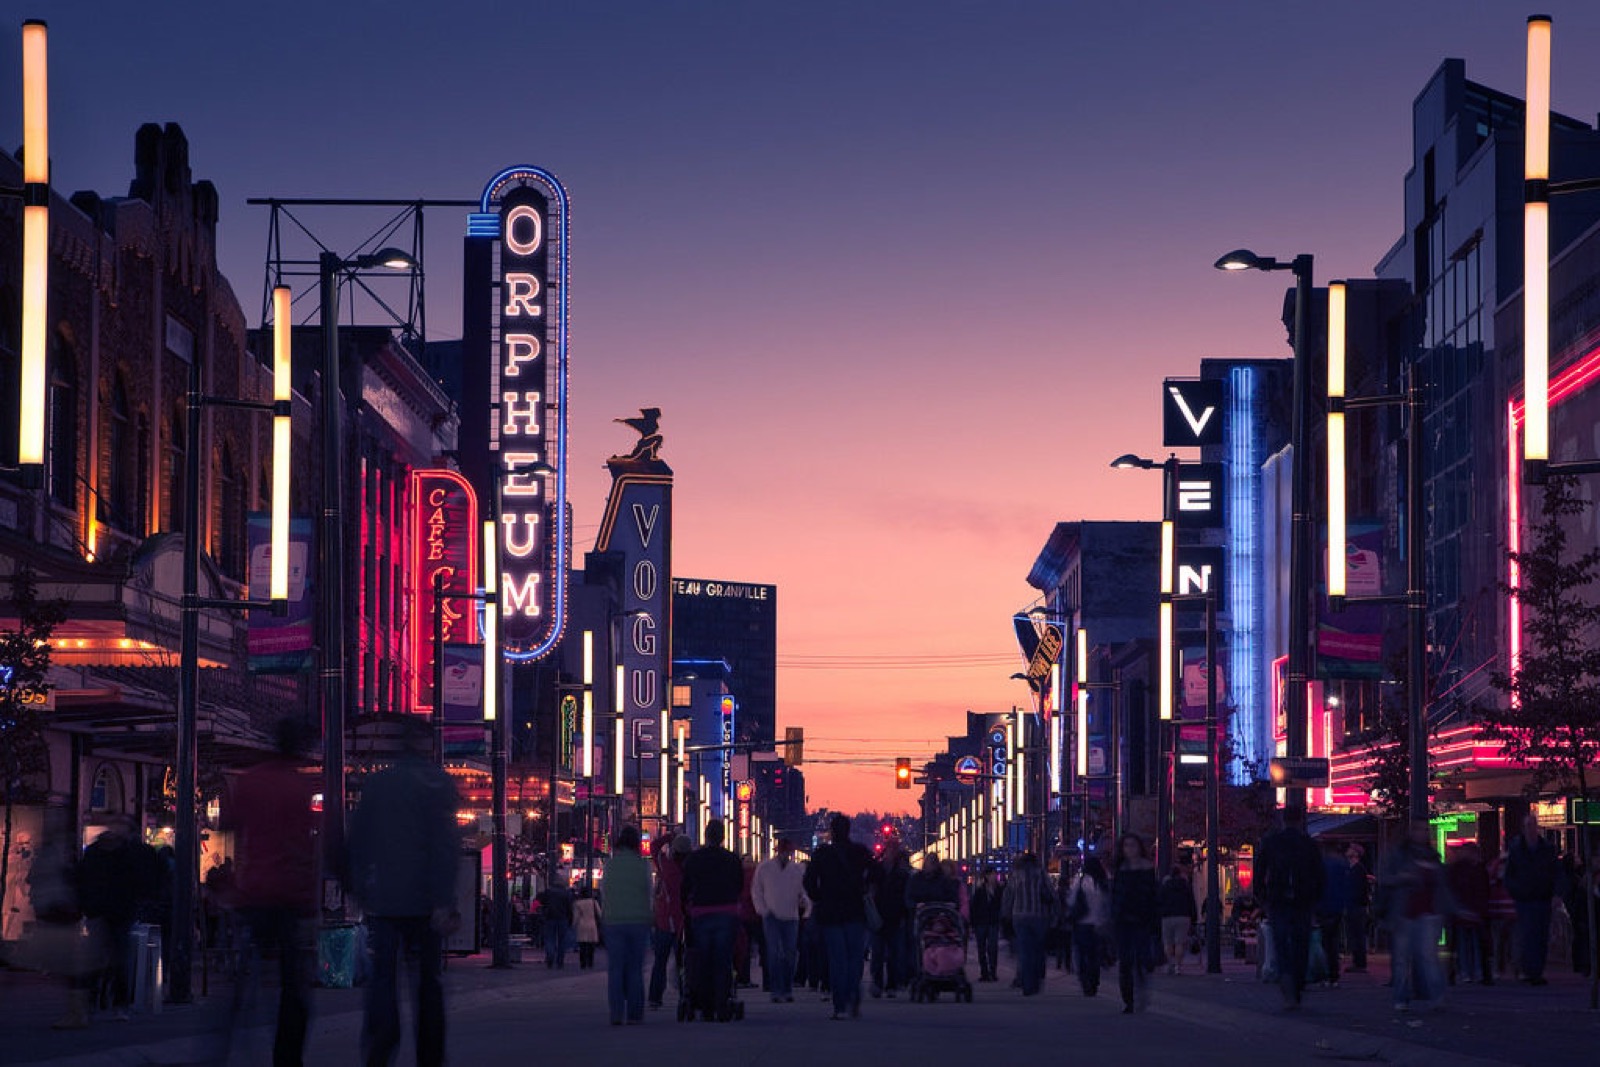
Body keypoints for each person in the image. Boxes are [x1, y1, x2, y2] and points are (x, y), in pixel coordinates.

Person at [347, 721, 462, 1067]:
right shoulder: (438, 783)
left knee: (383, 979)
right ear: (426, 746)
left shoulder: (378, 784)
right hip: (425, 900)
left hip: (386, 898)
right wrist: (445, 899)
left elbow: (360, 838)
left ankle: (380, 1048)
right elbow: (445, 846)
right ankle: (429, 1054)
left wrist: (358, 888)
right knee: (428, 982)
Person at [224, 717, 319, 1064]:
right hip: (290, 896)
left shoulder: (251, 780)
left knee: (244, 980)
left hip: (253, 890)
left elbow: (233, 827)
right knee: (293, 986)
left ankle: (225, 1043)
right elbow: (302, 845)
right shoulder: (298, 787)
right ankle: (287, 1057)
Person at [76, 814, 159, 1019]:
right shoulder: (98, 852)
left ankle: (115, 1003)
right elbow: (83, 878)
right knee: (98, 958)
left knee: (119, 958)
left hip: (119, 911)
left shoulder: (128, 852)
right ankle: (94, 1002)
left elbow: (146, 876)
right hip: (101, 910)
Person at [803, 813, 873, 1020]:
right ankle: (853, 994)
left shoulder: (822, 853)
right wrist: (865, 889)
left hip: (831, 912)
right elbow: (877, 872)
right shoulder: (859, 853)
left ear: (832, 832)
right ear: (849, 830)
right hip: (855, 910)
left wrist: (819, 897)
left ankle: (840, 1004)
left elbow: (809, 881)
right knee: (854, 957)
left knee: (837, 959)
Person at [1254, 807, 1325, 1010]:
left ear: (1283, 821)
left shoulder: (1272, 842)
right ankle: (1297, 982)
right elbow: (1319, 874)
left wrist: (1262, 897)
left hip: (1279, 899)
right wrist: (1316, 899)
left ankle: (1287, 981)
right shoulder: (1308, 844)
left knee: (1282, 942)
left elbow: (1260, 870)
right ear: (1300, 820)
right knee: (1301, 942)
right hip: (1302, 900)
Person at [1378, 821, 1451, 1013]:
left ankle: (1434, 995)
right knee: (1404, 958)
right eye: (1419, 829)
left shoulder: (1432, 857)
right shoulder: (1400, 855)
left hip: (1426, 912)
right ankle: (1403, 997)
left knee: (1426, 956)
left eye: (1426, 830)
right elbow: (1384, 878)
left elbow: (1442, 887)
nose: (1423, 833)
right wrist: (1402, 878)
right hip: (1405, 912)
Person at [680, 819, 744, 1021]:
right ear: (723, 837)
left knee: (704, 959)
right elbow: (739, 885)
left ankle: (706, 1005)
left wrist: (687, 908)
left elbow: (685, 887)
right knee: (723, 960)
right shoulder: (732, 859)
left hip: (701, 912)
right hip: (726, 911)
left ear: (706, 836)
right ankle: (722, 1002)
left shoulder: (694, 859)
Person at [601, 826, 653, 1026]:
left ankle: (616, 1013)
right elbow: (649, 892)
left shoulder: (610, 865)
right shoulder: (643, 866)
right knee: (634, 969)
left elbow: (604, 893)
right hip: (639, 921)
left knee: (615, 969)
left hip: (614, 921)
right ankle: (635, 1013)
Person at [1504, 813, 1559, 986]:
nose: (1531, 829)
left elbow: (1555, 873)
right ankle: (1529, 970)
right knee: (1527, 934)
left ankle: (1535, 970)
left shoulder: (1546, 849)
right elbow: (1509, 874)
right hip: (1525, 898)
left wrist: (1556, 893)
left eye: (1533, 825)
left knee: (1540, 935)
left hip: (1542, 897)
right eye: (1528, 825)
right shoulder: (1517, 849)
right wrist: (1517, 891)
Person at [752, 837, 809, 1003]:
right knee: (774, 953)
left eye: (788, 851)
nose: (786, 854)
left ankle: (787, 988)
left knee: (790, 954)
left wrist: (804, 904)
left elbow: (803, 891)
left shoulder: (796, 870)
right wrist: (763, 910)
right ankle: (776, 989)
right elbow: (756, 891)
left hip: (791, 916)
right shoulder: (765, 868)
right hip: (772, 916)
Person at [1111, 833, 1159, 1014]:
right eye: (1126, 846)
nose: (1130, 849)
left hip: (1142, 919)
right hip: (1123, 920)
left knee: (1141, 959)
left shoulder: (1147, 869)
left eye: (1133, 845)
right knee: (1125, 962)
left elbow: (1153, 896)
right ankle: (1129, 1000)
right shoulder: (1120, 869)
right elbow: (1115, 896)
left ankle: (1140, 988)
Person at [1002, 851, 1053, 995]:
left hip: (1019, 915)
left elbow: (1008, 895)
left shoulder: (1016, 875)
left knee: (1024, 950)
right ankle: (1036, 981)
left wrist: (1006, 914)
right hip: (1038, 916)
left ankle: (1027, 984)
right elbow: (1050, 893)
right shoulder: (1040, 873)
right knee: (1038, 950)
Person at [648, 834, 689, 1010]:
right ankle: (685, 995)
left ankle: (655, 997)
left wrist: (669, 836)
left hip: (664, 921)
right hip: (683, 922)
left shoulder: (666, 866)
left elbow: (654, 847)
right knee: (683, 962)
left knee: (660, 962)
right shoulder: (689, 870)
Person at [1446, 842, 1490, 985]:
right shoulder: (1477, 869)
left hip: (1465, 910)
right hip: (1472, 910)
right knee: (1473, 943)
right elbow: (1483, 890)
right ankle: (1475, 971)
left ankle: (1467, 971)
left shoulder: (1457, 870)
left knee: (1465, 943)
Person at [1067, 856, 1111, 997]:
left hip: (1082, 923)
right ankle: (1094, 980)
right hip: (1099, 923)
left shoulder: (1080, 882)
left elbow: (1071, 900)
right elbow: (1108, 905)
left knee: (1081, 954)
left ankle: (1085, 981)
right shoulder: (1104, 883)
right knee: (1094, 955)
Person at [1316, 841, 1350, 988]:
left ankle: (1327, 975)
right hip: (1337, 907)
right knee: (1333, 941)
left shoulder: (1323, 865)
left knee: (1326, 942)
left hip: (1324, 906)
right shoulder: (1342, 864)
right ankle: (1333, 975)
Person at [1157, 865, 1196, 976]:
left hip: (1167, 916)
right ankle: (1178, 966)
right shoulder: (1186, 886)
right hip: (1183, 916)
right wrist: (1193, 917)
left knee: (1168, 942)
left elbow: (1159, 902)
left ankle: (1170, 964)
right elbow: (1191, 902)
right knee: (1180, 942)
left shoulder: (1165, 886)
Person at [969, 868, 1003, 982]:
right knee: (981, 948)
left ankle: (993, 972)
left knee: (993, 948)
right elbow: (974, 907)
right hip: (981, 921)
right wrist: (973, 923)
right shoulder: (980, 890)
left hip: (993, 921)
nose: (994, 877)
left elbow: (1001, 905)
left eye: (995, 874)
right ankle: (984, 972)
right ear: (987, 876)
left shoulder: (999, 890)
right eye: (992, 875)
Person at [1486, 853, 1516, 981]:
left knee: (1500, 942)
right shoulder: (1515, 871)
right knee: (1511, 942)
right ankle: (1515, 969)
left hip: (1498, 911)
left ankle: (1500, 968)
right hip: (1509, 911)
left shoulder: (1493, 870)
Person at [1344, 843, 1372, 973]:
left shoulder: (1358, 869)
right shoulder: (1355, 869)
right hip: (1356, 906)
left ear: (1355, 854)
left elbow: (1358, 890)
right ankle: (1358, 961)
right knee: (1357, 934)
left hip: (1357, 906)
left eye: (1350, 849)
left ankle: (1360, 963)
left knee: (1357, 934)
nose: (1347, 851)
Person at [538, 879, 575, 969]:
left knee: (550, 939)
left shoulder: (549, 892)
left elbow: (541, 901)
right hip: (563, 918)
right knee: (562, 941)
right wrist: (570, 919)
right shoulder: (566, 893)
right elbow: (569, 907)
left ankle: (550, 955)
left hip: (550, 917)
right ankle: (560, 961)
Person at [573, 889, 602, 969]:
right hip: (592, 924)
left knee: (582, 945)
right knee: (591, 945)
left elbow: (576, 917)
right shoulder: (593, 902)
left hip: (582, 925)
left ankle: (583, 963)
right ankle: (590, 962)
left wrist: (573, 924)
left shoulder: (578, 903)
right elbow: (599, 914)